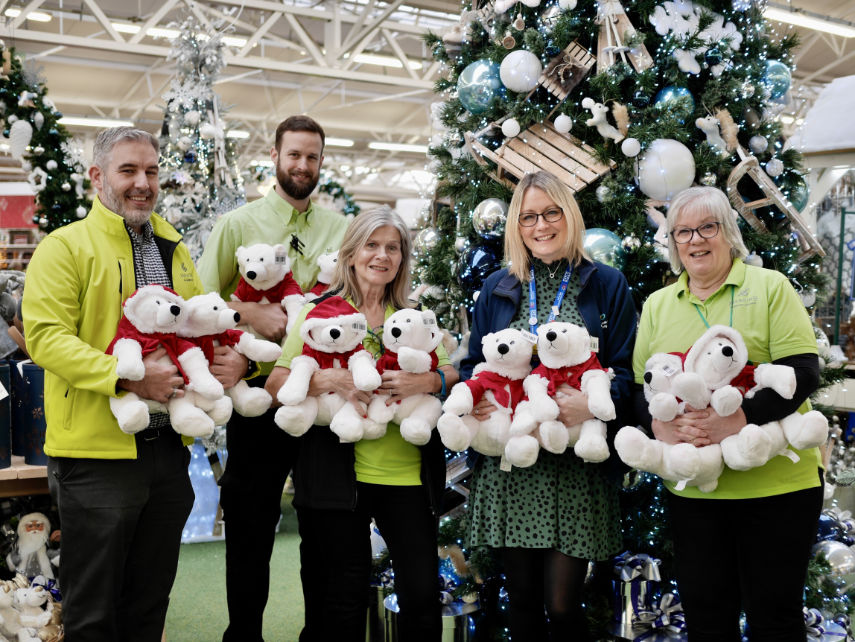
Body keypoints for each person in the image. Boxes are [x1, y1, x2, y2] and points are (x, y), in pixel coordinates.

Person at [22, 126, 247, 640]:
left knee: (149, 607)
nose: (142, 182)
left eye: (150, 170)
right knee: (94, 612)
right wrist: (131, 379)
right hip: (97, 457)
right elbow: (46, 339)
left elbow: (192, 323)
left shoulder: (172, 246)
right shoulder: (66, 248)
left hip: (168, 453)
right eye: (128, 170)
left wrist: (231, 360)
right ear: (98, 177)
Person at [632, 186, 823, 641]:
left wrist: (736, 421)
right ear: (674, 243)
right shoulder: (659, 305)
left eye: (707, 227)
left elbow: (804, 372)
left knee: (774, 621)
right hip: (697, 493)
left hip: (777, 487)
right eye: (683, 232)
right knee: (706, 622)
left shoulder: (770, 286)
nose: (696, 240)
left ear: (728, 233)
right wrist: (659, 423)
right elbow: (640, 387)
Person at [265, 207, 459, 642]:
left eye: (392, 247)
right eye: (372, 245)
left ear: (402, 259)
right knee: (342, 602)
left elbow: (450, 375)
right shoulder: (320, 313)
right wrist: (333, 378)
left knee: (422, 597)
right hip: (337, 479)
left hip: (407, 476)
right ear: (351, 254)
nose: (382, 256)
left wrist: (425, 379)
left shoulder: (416, 316)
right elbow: (278, 383)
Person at [459, 170, 636, 641]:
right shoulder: (500, 285)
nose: (541, 225)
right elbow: (473, 363)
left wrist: (594, 406)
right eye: (529, 216)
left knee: (561, 607)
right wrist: (478, 399)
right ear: (516, 225)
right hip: (512, 467)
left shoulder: (606, 284)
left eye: (551, 212)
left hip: (576, 469)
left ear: (569, 215)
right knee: (520, 603)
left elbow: (627, 372)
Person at [197, 115, 348, 641]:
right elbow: (201, 306)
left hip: (320, 402)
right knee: (250, 527)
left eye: (312, 157)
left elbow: (352, 307)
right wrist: (245, 316)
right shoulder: (238, 226)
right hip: (258, 399)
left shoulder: (341, 230)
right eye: (294, 155)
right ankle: (243, 635)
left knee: (322, 531)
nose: (302, 165)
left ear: (321, 162)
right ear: (275, 157)